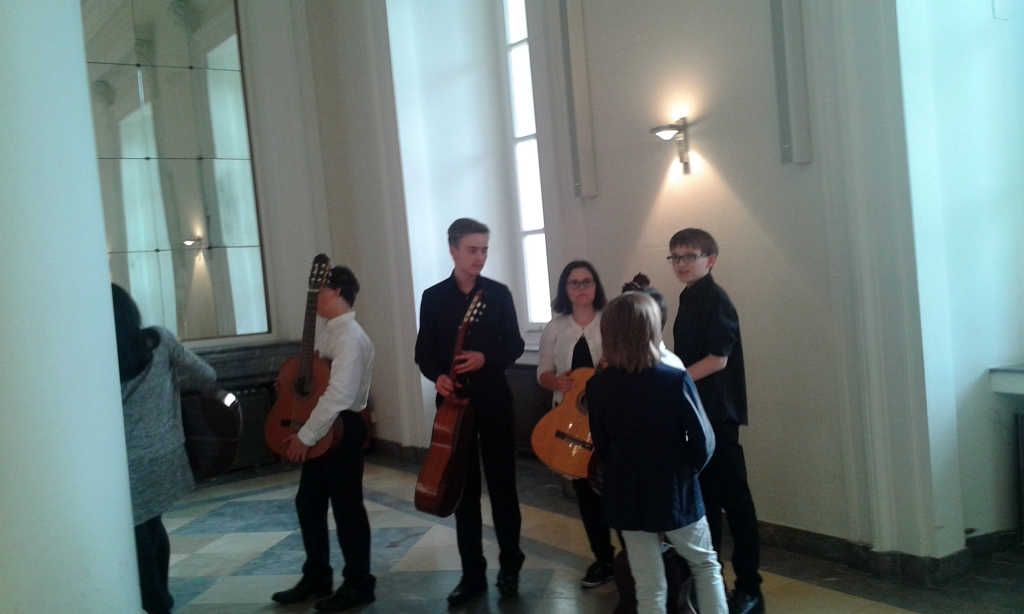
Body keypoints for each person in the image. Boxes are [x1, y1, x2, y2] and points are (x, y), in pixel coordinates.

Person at [587, 292, 727, 614]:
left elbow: (602, 444)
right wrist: (686, 472)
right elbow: (704, 441)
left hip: (626, 492)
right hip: (673, 490)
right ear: (651, 330)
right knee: (705, 565)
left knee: (648, 583)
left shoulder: (598, 386)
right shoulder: (674, 379)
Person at [414, 218, 526, 607]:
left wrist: (485, 358)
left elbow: (514, 344)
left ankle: (510, 567)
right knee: (462, 491)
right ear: (453, 250)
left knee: (503, 488)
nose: (480, 257)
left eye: (484, 250)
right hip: (454, 408)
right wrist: (439, 377)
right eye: (472, 249)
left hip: (494, 401)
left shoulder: (498, 294)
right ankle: (472, 574)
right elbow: (423, 352)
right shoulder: (434, 297)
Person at [668, 228, 763, 614]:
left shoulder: (715, 299)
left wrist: (674, 381)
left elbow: (718, 359)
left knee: (736, 503)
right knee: (706, 502)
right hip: (698, 415)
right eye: (675, 257)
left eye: (689, 256)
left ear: (710, 260)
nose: (681, 264)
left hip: (719, 417)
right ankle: (712, 584)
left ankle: (750, 587)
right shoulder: (688, 296)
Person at [271, 266, 376, 612]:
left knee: (347, 509)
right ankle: (317, 576)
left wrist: (304, 437)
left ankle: (359, 584)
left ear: (337, 292)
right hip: (324, 426)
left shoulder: (350, 338)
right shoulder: (329, 333)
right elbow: (318, 383)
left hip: (343, 428)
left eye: (319, 291)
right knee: (309, 502)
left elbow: (339, 396)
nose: (314, 298)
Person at [113, 284, 218, 614]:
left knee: (139, 534)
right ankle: (162, 598)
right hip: (167, 451)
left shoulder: (101, 358)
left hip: (127, 462)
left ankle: (156, 603)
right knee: (153, 525)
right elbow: (206, 374)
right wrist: (167, 385)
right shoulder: (160, 341)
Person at [536, 260, 615, 588]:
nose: (581, 288)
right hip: (571, 420)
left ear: (596, 286)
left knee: (617, 489)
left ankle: (634, 561)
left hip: (610, 419)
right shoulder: (555, 328)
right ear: (564, 289)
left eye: (587, 281)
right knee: (585, 493)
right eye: (574, 282)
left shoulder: (610, 322)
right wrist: (555, 382)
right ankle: (603, 559)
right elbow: (542, 373)